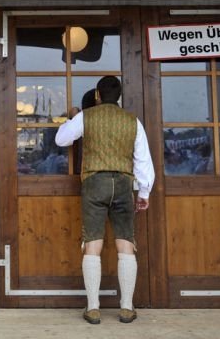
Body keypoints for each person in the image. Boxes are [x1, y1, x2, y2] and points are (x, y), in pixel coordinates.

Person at [55, 76, 155, 324]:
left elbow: (61, 139)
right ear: (118, 96)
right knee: (125, 244)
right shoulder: (133, 122)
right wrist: (144, 193)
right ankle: (127, 308)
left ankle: (93, 308)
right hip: (123, 184)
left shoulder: (87, 117)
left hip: (94, 183)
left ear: (98, 95)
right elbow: (143, 160)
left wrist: (72, 117)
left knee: (93, 244)